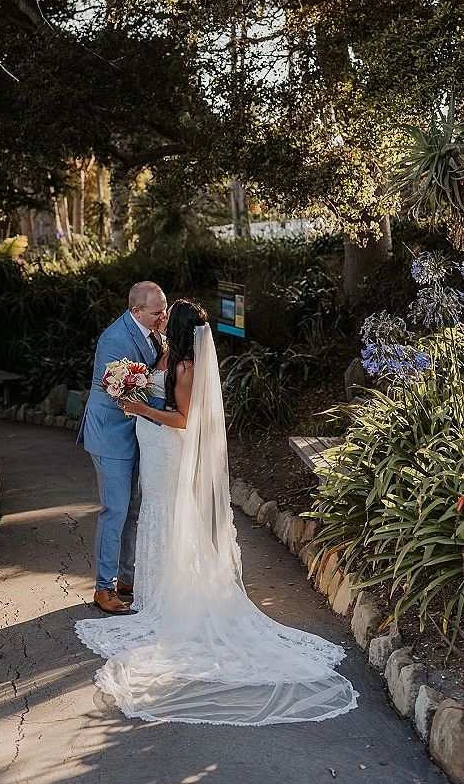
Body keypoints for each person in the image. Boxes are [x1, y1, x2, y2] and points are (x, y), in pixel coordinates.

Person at [75, 300, 358, 725]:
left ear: (183, 328)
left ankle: (171, 594)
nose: (164, 319)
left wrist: (140, 409)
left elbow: (185, 420)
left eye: (171, 315)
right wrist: (132, 390)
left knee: (166, 515)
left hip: (166, 449)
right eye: (161, 312)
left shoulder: (186, 367)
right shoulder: (165, 354)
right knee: (153, 514)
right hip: (150, 447)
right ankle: (151, 590)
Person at [77, 281, 167, 615]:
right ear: (136, 311)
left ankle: (128, 577)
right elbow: (124, 393)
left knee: (134, 509)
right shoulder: (114, 338)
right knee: (114, 509)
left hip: (140, 435)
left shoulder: (156, 330)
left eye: (163, 309)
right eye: (157, 312)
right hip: (111, 435)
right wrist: (175, 411)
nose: (163, 316)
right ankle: (104, 588)